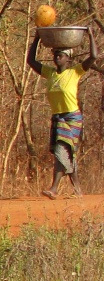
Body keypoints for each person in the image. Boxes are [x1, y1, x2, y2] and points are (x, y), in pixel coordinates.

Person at [26, 27, 97, 198]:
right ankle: (78, 190)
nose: (57, 57)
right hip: (58, 118)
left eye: (61, 55)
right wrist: (37, 38)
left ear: (68, 58)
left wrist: (91, 34)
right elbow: (30, 60)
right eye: (55, 55)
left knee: (61, 150)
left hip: (72, 118)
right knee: (67, 153)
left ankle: (54, 188)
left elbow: (93, 56)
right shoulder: (50, 74)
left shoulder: (75, 72)